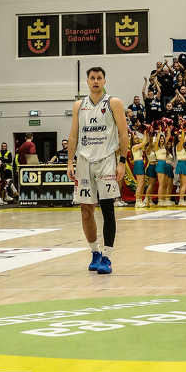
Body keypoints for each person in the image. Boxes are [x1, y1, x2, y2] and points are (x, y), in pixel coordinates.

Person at [67, 67, 128, 275]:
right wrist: (70, 162)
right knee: (86, 211)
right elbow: (73, 135)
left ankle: (107, 256)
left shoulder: (113, 103)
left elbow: (123, 133)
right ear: (87, 81)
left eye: (99, 78)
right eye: (92, 78)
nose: (95, 81)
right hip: (84, 162)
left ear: (104, 81)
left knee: (107, 209)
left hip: (106, 161)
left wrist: (122, 162)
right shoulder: (79, 105)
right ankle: (95, 252)